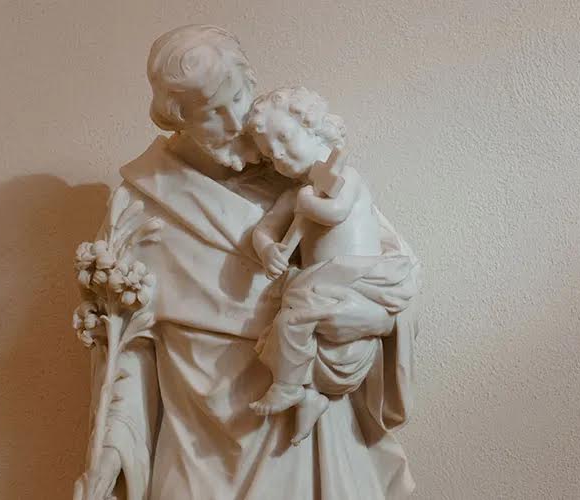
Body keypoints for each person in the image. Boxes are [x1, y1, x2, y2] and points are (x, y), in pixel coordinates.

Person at [73, 24, 421, 500]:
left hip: (302, 441)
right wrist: (114, 447)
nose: (237, 121)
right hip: (197, 450)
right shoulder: (139, 207)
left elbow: (392, 279)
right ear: (177, 121)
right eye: (212, 113)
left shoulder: (298, 170)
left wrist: (372, 321)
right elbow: (126, 344)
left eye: (239, 97)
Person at [245, 87, 415, 446]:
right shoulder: (293, 196)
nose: (277, 154)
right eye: (268, 153)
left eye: (284, 138)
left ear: (315, 129)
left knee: (295, 317)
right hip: (323, 283)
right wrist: (268, 249)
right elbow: (263, 229)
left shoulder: (345, 178)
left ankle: (292, 388)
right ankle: (307, 395)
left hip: (360, 278)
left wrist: (308, 204)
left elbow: (335, 212)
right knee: (290, 324)